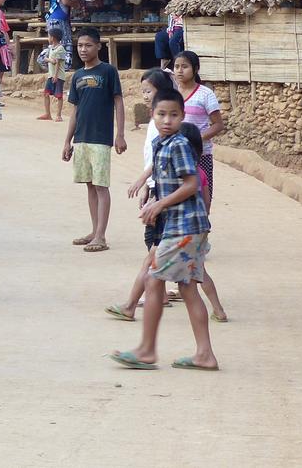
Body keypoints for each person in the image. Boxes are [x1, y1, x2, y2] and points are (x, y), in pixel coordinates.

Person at [110, 89, 218, 372]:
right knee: (187, 289)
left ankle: (147, 350)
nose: (167, 120)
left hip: (185, 227)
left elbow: (191, 184)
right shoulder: (161, 142)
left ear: (182, 116)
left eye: (173, 115)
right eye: (161, 114)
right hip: (185, 226)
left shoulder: (178, 144)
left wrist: (159, 206)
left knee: (154, 279)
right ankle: (204, 354)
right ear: (152, 115)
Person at [63, 28, 126, 253]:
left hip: (100, 139)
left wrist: (120, 134)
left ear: (99, 46)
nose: (83, 49)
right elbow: (75, 111)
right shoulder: (77, 76)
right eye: (80, 45)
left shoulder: (108, 71)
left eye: (88, 45)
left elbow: (118, 102)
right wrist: (67, 141)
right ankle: (94, 230)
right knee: (90, 185)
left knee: (101, 186)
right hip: (81, 138)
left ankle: (101, 235)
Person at [172, 50, 224, 209]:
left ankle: (202, 231)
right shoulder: (172, 94)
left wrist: (196, 139)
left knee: (202, 198)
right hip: (176, 152)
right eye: (176, 66)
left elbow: (218, 124)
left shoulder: (205, 94)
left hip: (200, 154)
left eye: (185, 67)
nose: (180, 70)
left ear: (195, 69)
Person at [39, 26, 68, 122]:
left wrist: (55, 76)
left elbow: (57, 63)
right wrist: (50, 60)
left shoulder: (60, 49)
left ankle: (59, 115)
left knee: (59, 95)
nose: (48, 38)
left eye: (49, 36)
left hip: (58, 76)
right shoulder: (51, 48)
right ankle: (48, 113)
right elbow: (50, 60)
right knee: (46, 94)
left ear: (53, 37)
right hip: (51, 75)